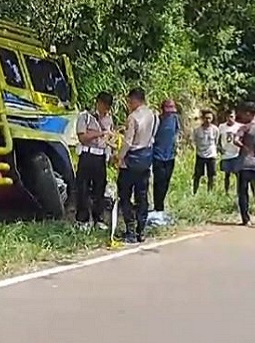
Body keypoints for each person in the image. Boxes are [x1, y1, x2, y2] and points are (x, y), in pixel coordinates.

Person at [116, 87, 158, 243]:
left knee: (125, 195)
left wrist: (119, 157)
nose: (128, 104)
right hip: (146, 158)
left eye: (129, 101)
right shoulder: (153, 115)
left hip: (131, 159)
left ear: (134, 100)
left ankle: (130, 230)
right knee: (142, 196)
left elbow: (128, 141)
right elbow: (153, 136)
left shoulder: (133, 117)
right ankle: (141, 230)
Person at [74, 92, 114, 230]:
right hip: (87, 155)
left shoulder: (109, 119)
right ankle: (82, 219)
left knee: (100, 188)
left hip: (101, 156)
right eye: (103, 105)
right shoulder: (85, 117)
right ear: (98, 103)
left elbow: (109, 138)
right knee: (83, 188)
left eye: (107, 106)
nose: (105, 109)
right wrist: (99, 133)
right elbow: (82, 137)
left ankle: (99, 218)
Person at [152, 99, 181, 215]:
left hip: (170, 156)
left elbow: (177, 133)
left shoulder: (175, 119)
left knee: (166, 182)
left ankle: (161, 206)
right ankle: (158, 207)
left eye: (172, 107)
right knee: (158, 181)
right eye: (168, 107)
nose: (170, 110)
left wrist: (177, 144)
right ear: (162, 108)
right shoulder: (158, 120)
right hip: (158, 155)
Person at [191, 109, 219, 193]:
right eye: (206, 118)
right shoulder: (197, 130)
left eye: (210, 118)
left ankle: (210, 192)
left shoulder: (215, 130)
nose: (208, 120)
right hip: (200, 155)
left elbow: (216, 142)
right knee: (197, 175)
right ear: (203, 118)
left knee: (211, 175)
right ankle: (194, 192)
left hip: (211, 155)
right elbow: (194, 141)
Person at [217, 110, 242, 194]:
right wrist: (220, 148)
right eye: (228, 117)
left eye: (231, 116)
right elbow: (218, 139)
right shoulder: (221, 126)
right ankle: (226, 191)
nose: (230, 119)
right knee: (226, 174)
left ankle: (239, 191)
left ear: (235, 116)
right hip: (226, 154)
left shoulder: (239, 126)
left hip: (236, 153)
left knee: (238, 174)